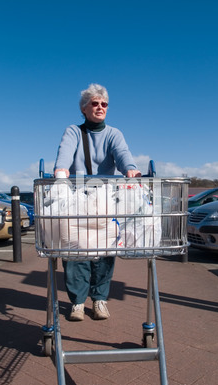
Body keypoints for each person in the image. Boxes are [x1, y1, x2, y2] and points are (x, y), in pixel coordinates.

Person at [54, 83, 141, 321]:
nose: (100, 107)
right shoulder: (73, 131)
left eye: (104, 104)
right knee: (75, 251)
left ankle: (100, 299)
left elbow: (122, 153)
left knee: (105, 251)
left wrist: (130, 169)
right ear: (84, 108)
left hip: (104, 201)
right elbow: (65, 151)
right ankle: (78, 302)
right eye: (94, 103)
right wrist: (61, 168)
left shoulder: (114, 133)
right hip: (77, 200)